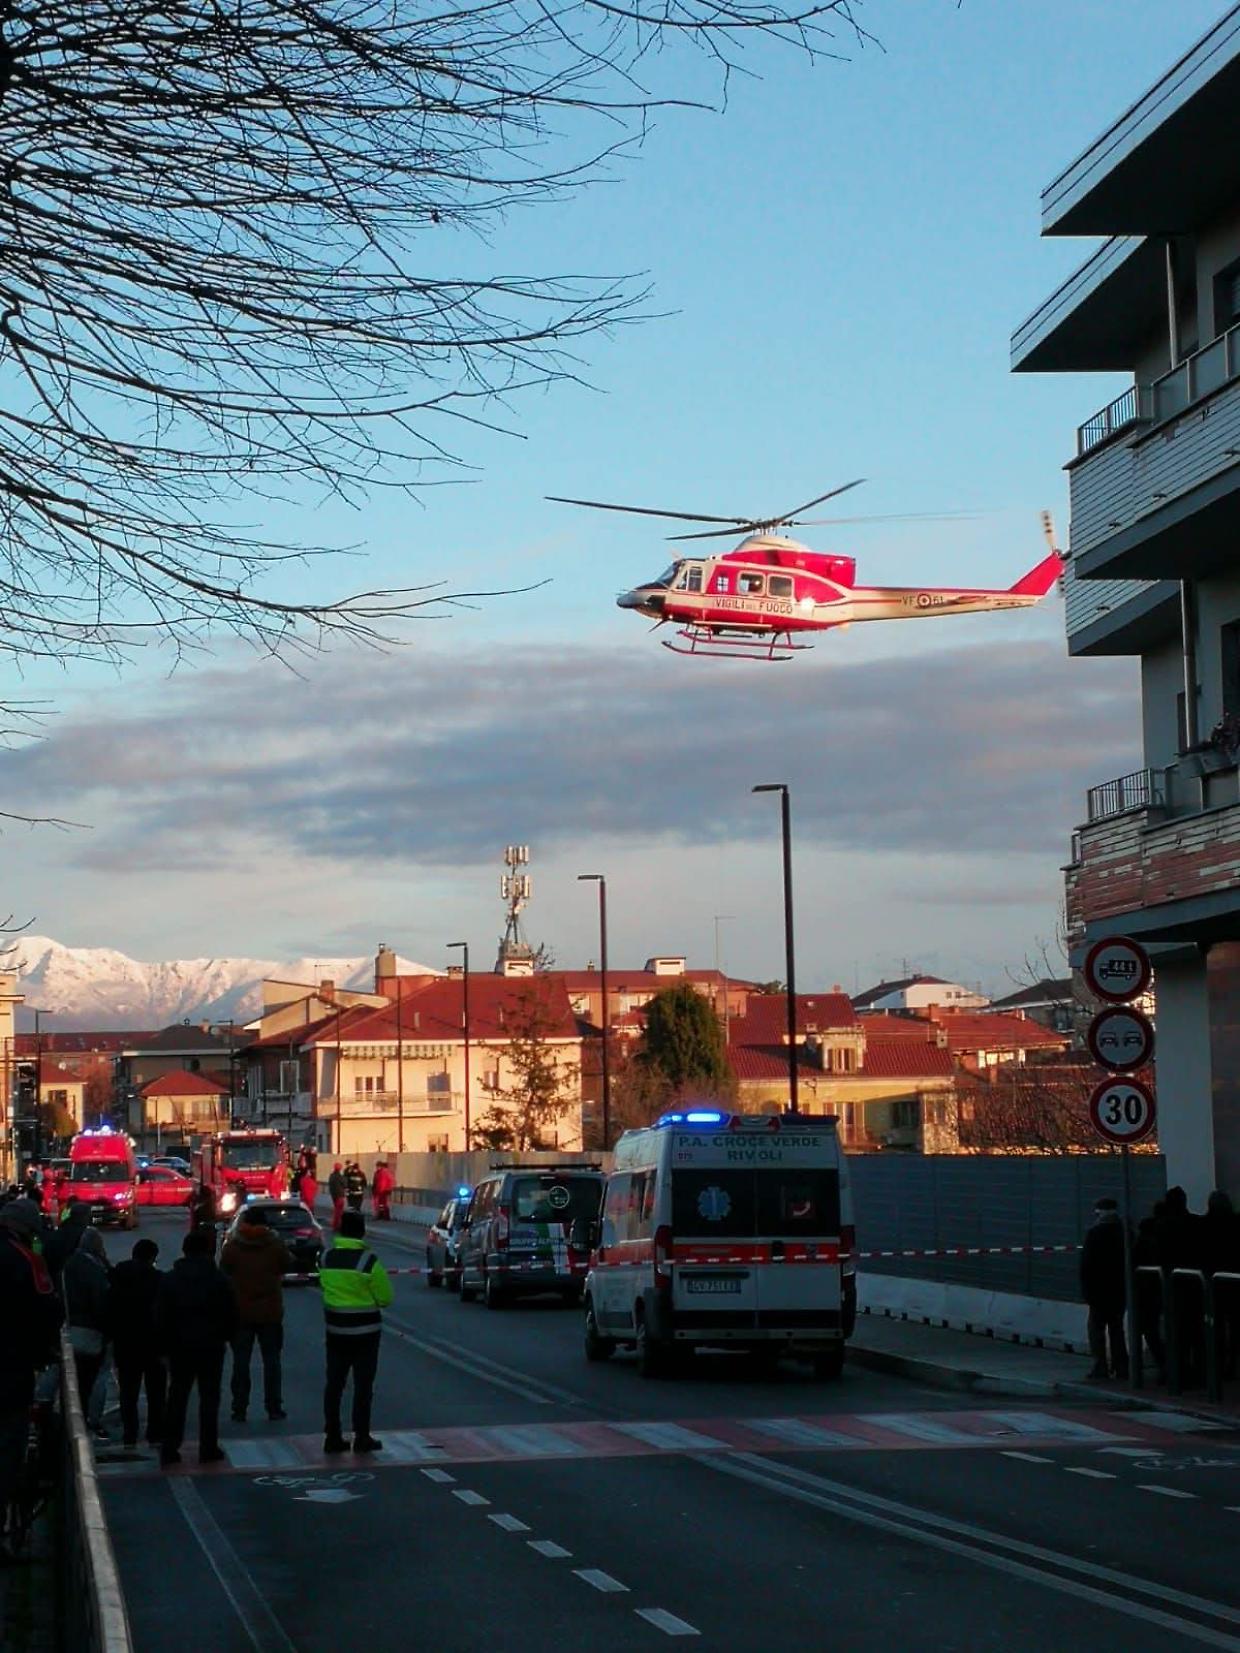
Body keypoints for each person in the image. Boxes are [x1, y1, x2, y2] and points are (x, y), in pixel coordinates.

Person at [0, 1199, 62, 1557]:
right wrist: (44, 1352)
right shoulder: (25, 1260)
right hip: (10, 1373)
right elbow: (48, 1311)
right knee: (7, 1451)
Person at [156, 1228, 238, 1466]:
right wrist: (227, 1337)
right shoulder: (219, 1279)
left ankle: (170, 1447)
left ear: (184, 1251)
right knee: (210, 1398)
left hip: (179, 1346)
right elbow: (231, 1313)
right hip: (211, 1346)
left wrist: (163, 1348)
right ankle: (208, 1446)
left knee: (177, 1397)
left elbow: (161, 1316)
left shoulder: (170, 1279)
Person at [319, 1209, 392, 1454]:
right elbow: (385, 1298)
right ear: (362, 1232)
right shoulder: (368, 1261)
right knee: (363, 1387)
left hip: (336, 1331)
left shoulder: (326, 1258)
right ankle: (362, 1437)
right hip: (366, 1335)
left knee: (334, 1385)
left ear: (339, 1230)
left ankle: (332, 1437)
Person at [219, 1206, 290, 1423]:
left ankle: (239, 1408)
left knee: (241, 1363)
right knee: (272, 1362)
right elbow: (287, 1265)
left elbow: (223, 1271)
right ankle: (274, 1407)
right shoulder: (275, 1245)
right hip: (270, 1312)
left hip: (240, 1312)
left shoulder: (233, 1247)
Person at [109, 1238, 167, 1450]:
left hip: (125, 1342)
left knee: (128, 1392)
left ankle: (130, 1433)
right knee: (156, 1392)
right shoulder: (159, 1280)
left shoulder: (117, 1277)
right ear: (153, 1257)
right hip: (153, 1344)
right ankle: (155, 1432)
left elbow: (109, 1308)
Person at [62, 1227, 113, 1438]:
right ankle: (93, 1419)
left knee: (71, 1379)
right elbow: (100, 1301)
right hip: (90, 1330)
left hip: (68, 1328)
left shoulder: (67, 1263)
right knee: (98, 1376)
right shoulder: (95, 1268)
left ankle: (70, 1419)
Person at [1081, 1196, 1128, 1382]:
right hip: (1119, 1289)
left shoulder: (1094, 1233)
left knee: (1096, 1329)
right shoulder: (1124, 1231)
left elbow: (1087, 1265)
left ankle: (1100, 1367)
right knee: (1117, 1329)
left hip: (1099, 1290)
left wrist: (1087, 1290)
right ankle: (1122, 1366)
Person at [1205, 1189, 1240, 1379]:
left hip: (1214, 1282)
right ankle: (1232, 1362)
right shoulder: (1236, 1223)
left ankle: (1217, 1366)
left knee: (1215, 1324)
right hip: (1234, 1279)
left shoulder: (1206, 1225)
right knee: (1234, 1325)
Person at [328, 1163, 346, 1231]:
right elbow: (345, 1184)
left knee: (336, 1210)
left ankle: (335, 1225)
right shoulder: (340, 1176)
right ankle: (337, 1225)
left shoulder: (331, 1176)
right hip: (340, 1195)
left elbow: (330, 1185)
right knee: (339, 1211)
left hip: (334, 1195)